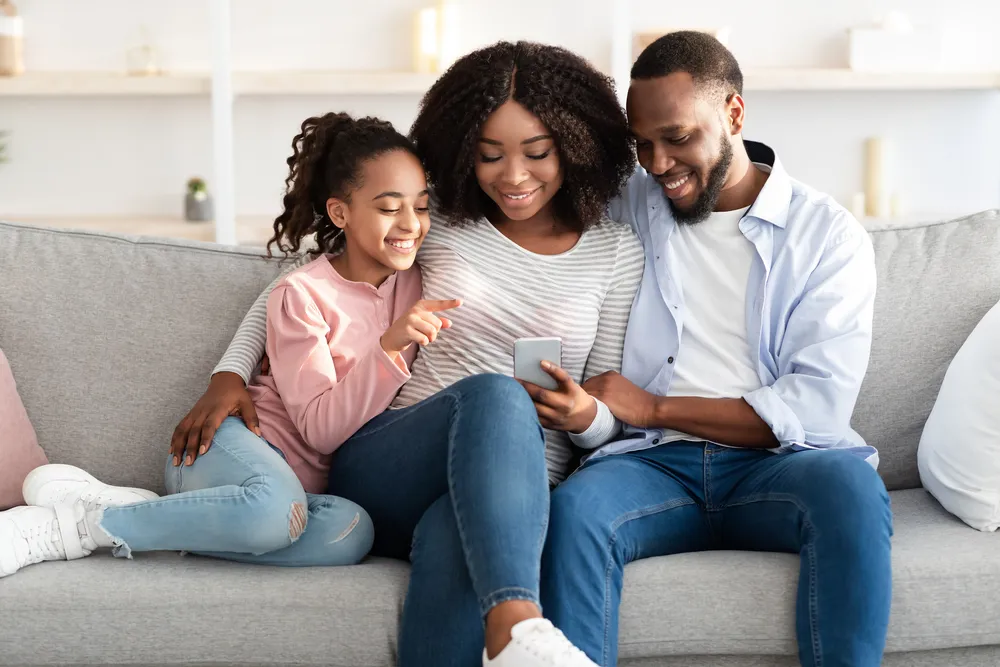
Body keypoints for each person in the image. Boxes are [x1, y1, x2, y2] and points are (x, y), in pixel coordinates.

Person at [167, 42, 644, 667]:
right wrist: (229, 371)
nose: (513, 175)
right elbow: (309, 282)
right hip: (392, 460)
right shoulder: (438, 215)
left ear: (577, 144)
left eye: (537, 152)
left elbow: (606, 413)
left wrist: (584, 418)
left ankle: (513, 636)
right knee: (496, 391)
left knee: (455, 531)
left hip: (516, 490)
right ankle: (517, 625)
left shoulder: (615, 253)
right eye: (489, 155)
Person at [533, 32, 892, 667]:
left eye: (677, 137)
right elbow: (528, 184)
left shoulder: (826, 235)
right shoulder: (626, 208)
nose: (659, 163)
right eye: (642, 143)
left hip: (779, 467)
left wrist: (657, 409)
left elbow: (814, 410)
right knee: (576, 512)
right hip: (648, 467)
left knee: (852, 492)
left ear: (733, 114)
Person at [0, 111, 459, 576]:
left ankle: (175, 519)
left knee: (352, 530)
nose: (411, 224)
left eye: (421, 207)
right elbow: (321, 430)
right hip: (226, 451)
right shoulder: (303, 293)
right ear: (341, 212)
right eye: (388, 207)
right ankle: (74, 528)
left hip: (294, 498)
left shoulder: (417, 281)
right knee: (273, 510)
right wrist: (389, 347)